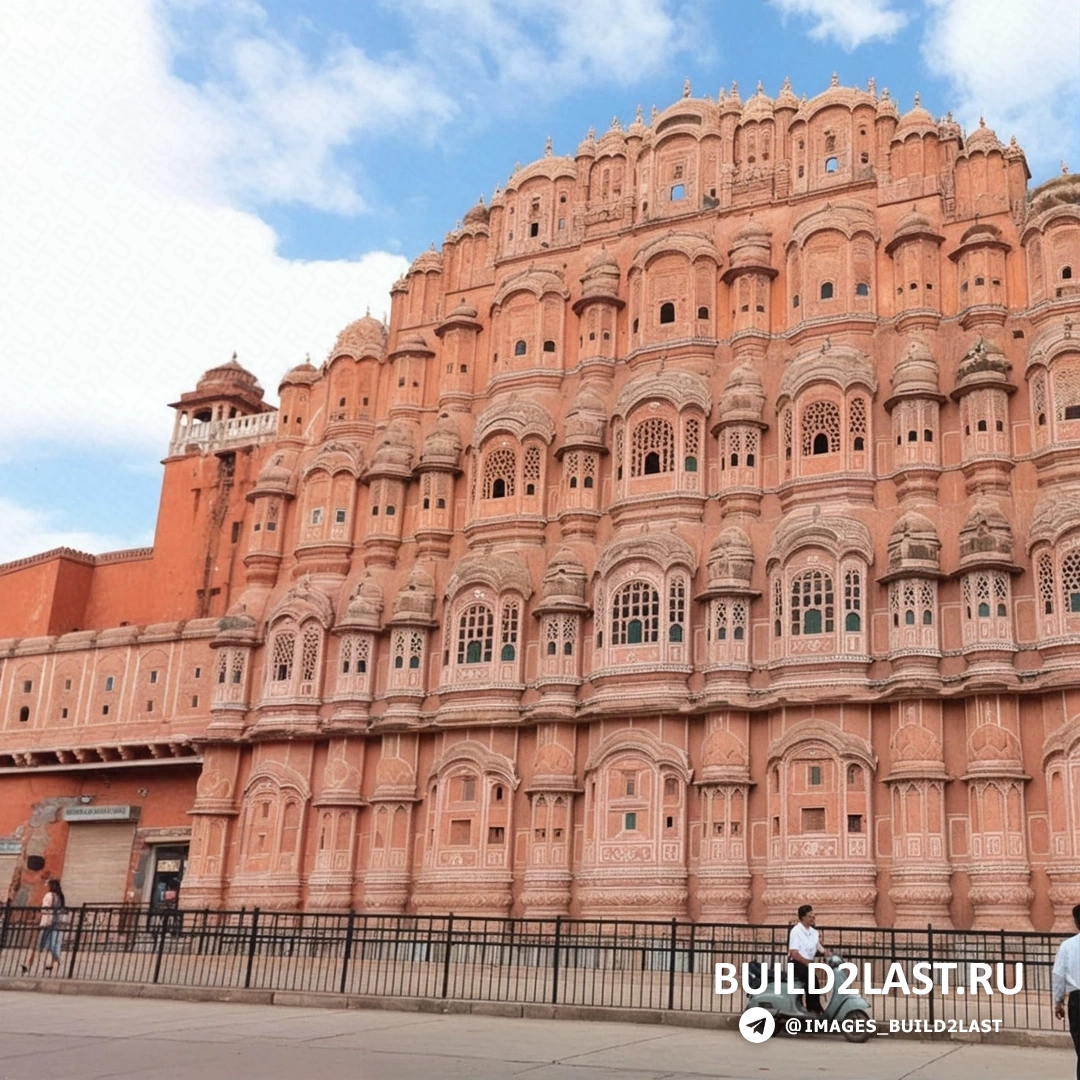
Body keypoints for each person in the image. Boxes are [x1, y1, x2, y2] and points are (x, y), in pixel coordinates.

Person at [1052, 902, 1080, 1080]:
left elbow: (1058, 975)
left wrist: (1058, 1002)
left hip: (1078, 1002)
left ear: (1076, 923)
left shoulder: (1068, 946)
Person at [788, 903, 827, 1013]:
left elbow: (817, 945)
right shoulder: (796, 931)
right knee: (812, 982)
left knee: (814, 982)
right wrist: (808, 964)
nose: (812, 918)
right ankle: (813, 1009)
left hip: (807, 964)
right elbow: (794, 953)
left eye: (813, 916)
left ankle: (813, 1008)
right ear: (802, 917)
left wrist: (827, 953)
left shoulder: (813, 932)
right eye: (810, 916)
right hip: (797, 963)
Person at [22, 878, 65, 975]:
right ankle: (54, 963)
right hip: (54, 922)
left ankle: (28, 964)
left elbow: (45, 909)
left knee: (37, 944)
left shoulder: (49, 895)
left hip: (45, 922)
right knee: (50, 944)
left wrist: (37, 918)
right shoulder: (58, 897)